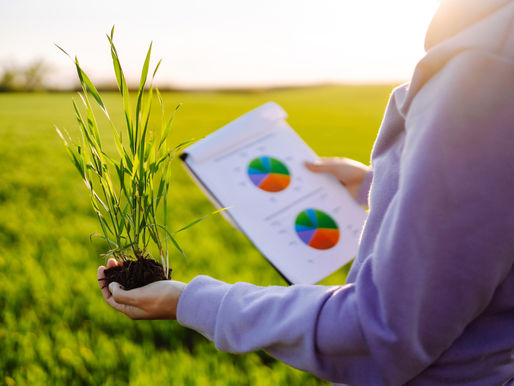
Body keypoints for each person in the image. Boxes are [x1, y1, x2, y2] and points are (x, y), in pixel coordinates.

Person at [98, 0, 514, 384]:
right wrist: (375, 185)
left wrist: (190, 302)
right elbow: (490, 211)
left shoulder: (486, 69)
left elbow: (380, 331)